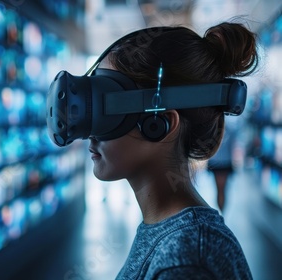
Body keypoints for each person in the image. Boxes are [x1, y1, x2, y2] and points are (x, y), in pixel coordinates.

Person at [87, 22, 258, 279]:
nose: (89, 131)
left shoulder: (187, 260)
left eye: (105, 108)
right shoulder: (171, 234)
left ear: (159, 124)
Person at [207, 117, 238, 212]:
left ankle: (221, 210)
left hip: (217, 162)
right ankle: (222, 211)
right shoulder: (231, 128)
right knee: (222, 189)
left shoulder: (212, 128)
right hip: (225, 162)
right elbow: (233, 146)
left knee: (219, 189)